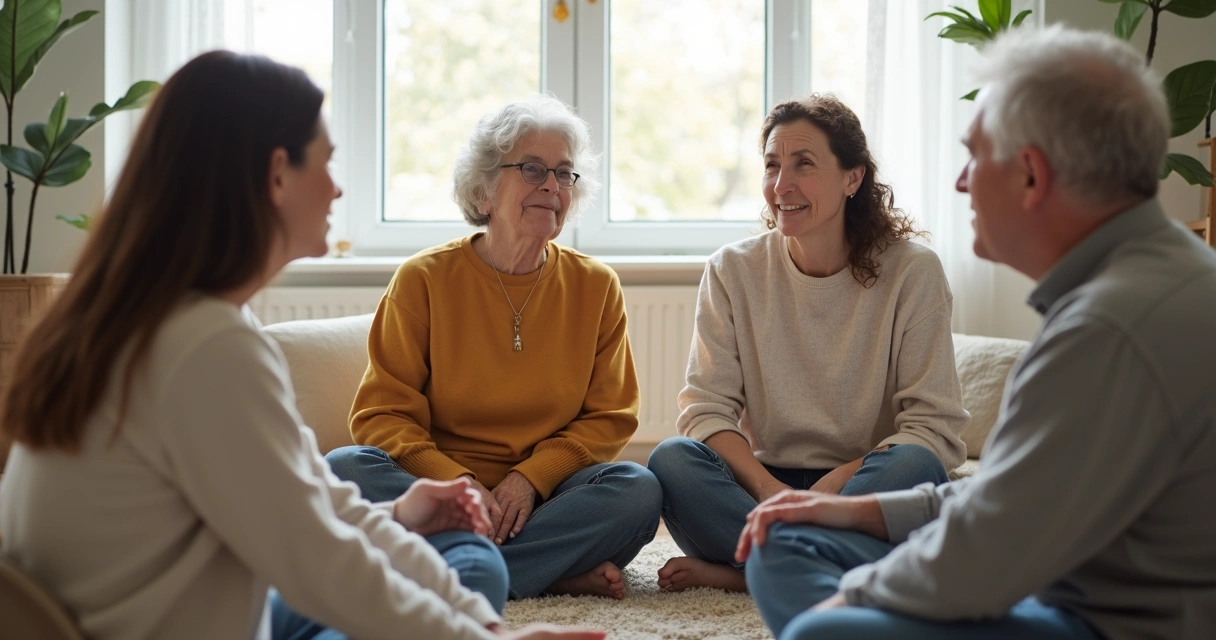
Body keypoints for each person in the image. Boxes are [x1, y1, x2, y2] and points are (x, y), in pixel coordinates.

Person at [0, 51, 602, 640]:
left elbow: (302, 498)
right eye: (327, 161)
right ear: (277, 174)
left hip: (204, 596)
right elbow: (317, 559)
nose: (338, 190)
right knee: (442, 583)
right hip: (178, 617)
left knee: (468, 570)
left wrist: (399, 517)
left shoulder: (166, 318)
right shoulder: (204, 347)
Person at [740, 25, 1216, 640]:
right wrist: (858, 510)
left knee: (820, 633)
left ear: (1030, 175)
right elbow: (1010, 495)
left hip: (1103, 620)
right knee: (788, 537)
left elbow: (988, 555)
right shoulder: (1145, 277)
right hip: (1059, 577)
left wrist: (841, 608)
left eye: (974, 155)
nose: (962, 181)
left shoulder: (1109, 328)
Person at [325, 94, 661, 601]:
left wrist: (529, 479)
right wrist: (456, 486)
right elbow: (381, 414)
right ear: (483, 192)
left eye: (564, 173)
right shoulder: (423, 280)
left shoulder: (596, 286)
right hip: (436, 493)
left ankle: (461, 572)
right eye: (532, 169)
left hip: (545, 499)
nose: (551, 185)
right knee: (345, 468)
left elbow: (610, 416)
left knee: (637, 489)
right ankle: (542, 576)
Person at [645, 94, 969, 593]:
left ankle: (746, 572)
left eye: (804, 165)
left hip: (864, 479)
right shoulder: (732, 269)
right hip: (760, 485)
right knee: (671, 458)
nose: (781, 185)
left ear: (852, 178)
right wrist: (770, 489)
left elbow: (934, 427)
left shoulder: (913, 272)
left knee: (918, 466)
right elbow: (705, 411)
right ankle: (817, 561)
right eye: (772, 165)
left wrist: (830, 490)